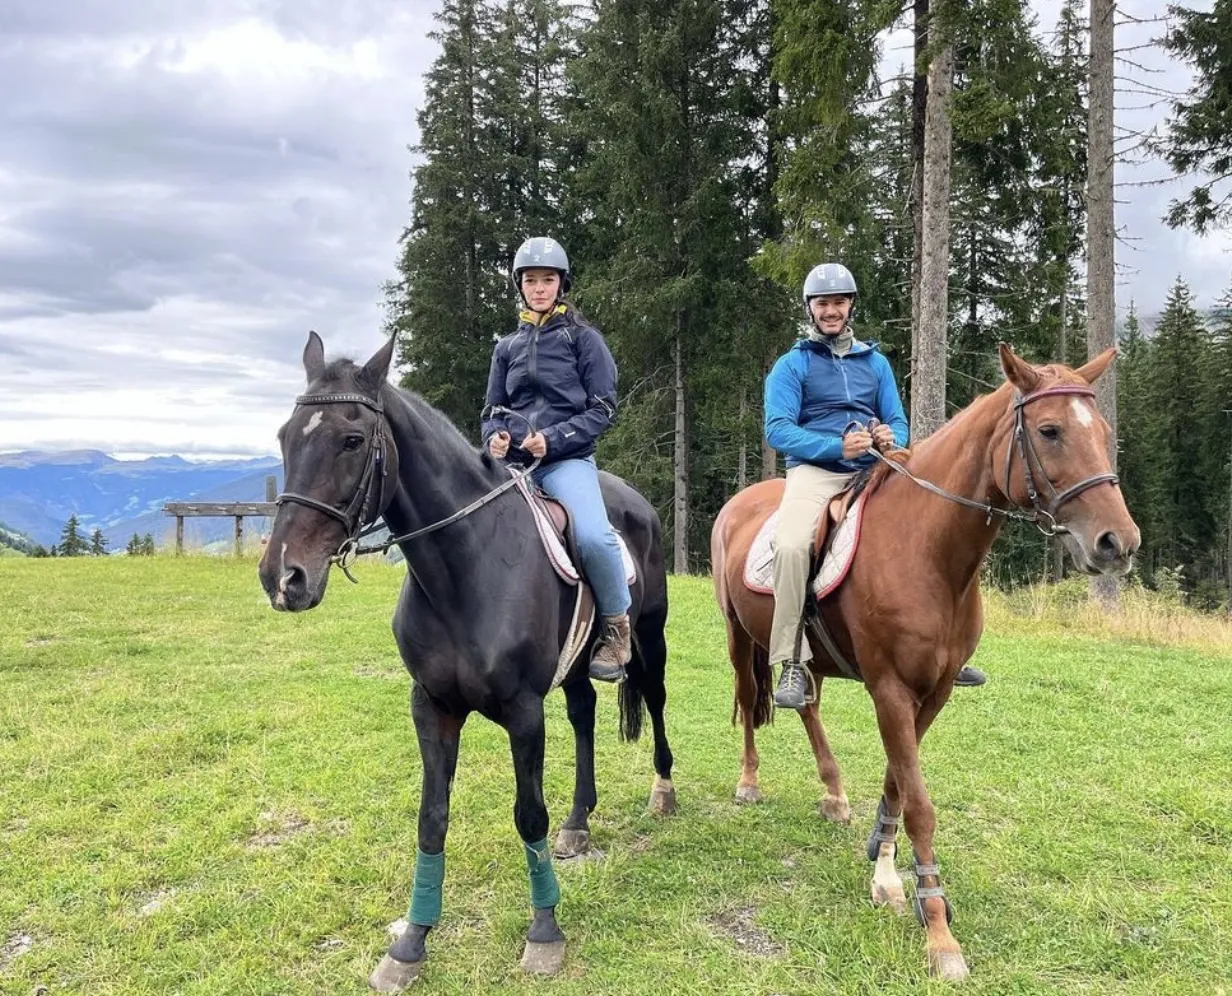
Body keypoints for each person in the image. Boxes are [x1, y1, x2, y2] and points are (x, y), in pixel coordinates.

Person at [763, 262, 986, 710]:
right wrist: (836, 447)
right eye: (823, 303)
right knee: (789, 545)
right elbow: (778, 429)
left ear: (850, 306)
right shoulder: (793, 365)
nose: (831, 311)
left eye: (839, 302)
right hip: (818, 470)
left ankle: (945, 647)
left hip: (880, 466)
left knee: (937, 531)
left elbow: (899, 422)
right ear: (811, 309)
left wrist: (891, 438)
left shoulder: (876, 362)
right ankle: (790, 658)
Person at [480, 236, 631, 683]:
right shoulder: (505, 347)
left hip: (565, 463)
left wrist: (555, 439)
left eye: (548, 280)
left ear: (561, 284)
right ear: (520, 286)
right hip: (512, 467)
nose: (539, 287)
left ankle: (616, 630)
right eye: (531, 280)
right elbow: (492, 410)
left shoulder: (585, 340)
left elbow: (603, 408)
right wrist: (495, 438)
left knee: (594, 539)